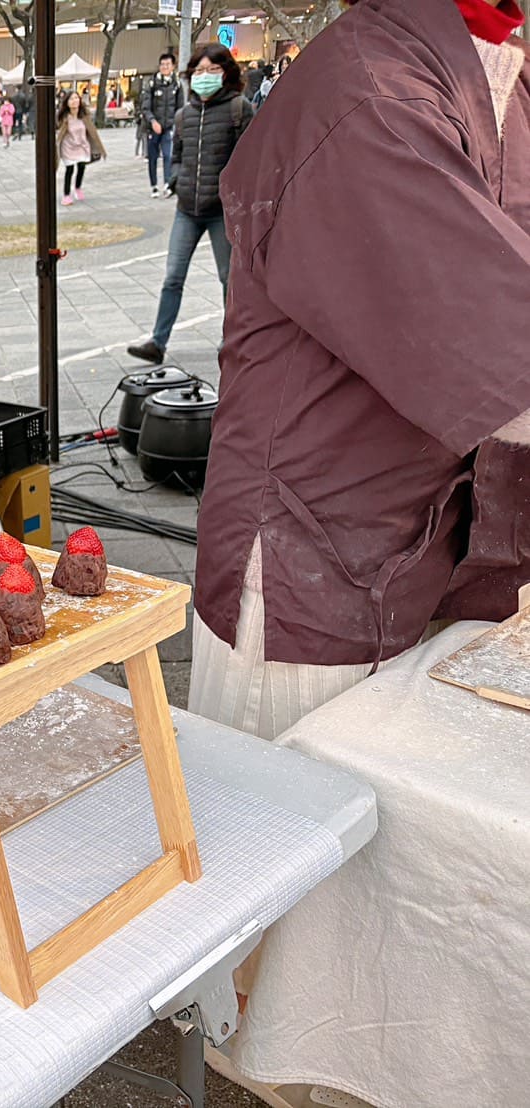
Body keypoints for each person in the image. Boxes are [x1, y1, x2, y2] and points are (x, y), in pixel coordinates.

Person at [188, 0, 530, 745]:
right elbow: (493, 343)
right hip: (317, 547)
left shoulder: (496, 69)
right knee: (290, 822)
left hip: (438, 533)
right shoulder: (366, 91)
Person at [126, 44, 251, 364]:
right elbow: (177, 155)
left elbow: (252, 160)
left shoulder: (240, 109)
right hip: (187, 209)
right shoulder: (184, 115)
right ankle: (157, 342)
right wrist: (177, 179)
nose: (204, 77)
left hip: (221, 211)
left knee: (229, 279)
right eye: (198, 71)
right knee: (172, 277)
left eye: (211, 71)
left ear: (226, 73)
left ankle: (232, 341)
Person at [139, 51, 184, 198]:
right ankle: (154, 186)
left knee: (168, 155)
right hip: (153, 127)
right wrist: (152, 121)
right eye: (162, 64)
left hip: (168, 127)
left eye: (168, 64)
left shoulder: (176, 84)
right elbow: (145, 106)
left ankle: (167, 184)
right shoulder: (152, 83)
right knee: (152, 157)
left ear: (173, 66)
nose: (165, 67)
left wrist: (177, 125)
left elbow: (180, 107)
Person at [56, 92, 104, 205]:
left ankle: (78, 187)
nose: (74, 101)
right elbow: (59, 131)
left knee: (82, 166)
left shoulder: (84, 116)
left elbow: (92, 131)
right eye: (71, 99)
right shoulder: (64, 117)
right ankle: (66, 195)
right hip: (68, 147)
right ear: (67, 102)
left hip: (82, 145)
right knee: (70, 169)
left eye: (76, 98)